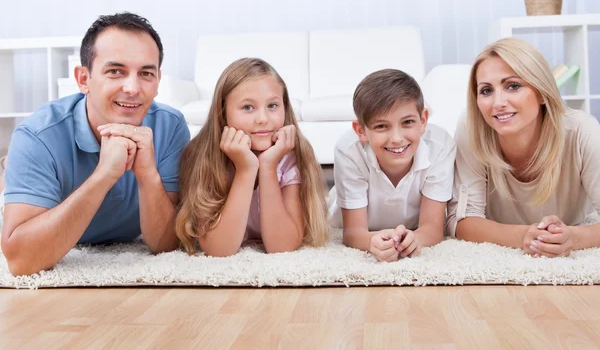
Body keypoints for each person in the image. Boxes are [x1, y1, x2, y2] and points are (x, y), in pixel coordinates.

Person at [1, 12, 190, 276]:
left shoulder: (170, 126)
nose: (133, 88)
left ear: (158, 81)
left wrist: (148, 175)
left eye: (146, 73)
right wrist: (103, 175)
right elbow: (22, 262)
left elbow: (165, 245)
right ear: (83, 79)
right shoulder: (36, 135)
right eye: (115, 71)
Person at [447, 37, 600, 257]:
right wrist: (524, 236)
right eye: (486, 91)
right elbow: (463, 222)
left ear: (541, 92)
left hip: (573, 225)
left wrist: (573, 238)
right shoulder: (472, 127)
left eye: (513, 86)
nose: (498, 102)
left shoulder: (583, 131)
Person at [175, 57, 328, 257]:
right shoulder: (204, 156)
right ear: (223, 113)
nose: (263, 119)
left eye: (272, 106)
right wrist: (246, 170)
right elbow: (219, 250)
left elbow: (282, 247)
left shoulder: (290, 156)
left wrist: (268, 167)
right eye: (248, 107)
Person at [329, 69, 456, 262]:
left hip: (412, 226)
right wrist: (372, 241)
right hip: (350, 219)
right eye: (381, 126)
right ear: (361, 131)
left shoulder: (440, 146)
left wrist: (415, 240)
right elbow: (354, 233)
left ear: (423, 121)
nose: (396, 139)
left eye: (407, 122)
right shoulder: (348, 150)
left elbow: (433, 228)